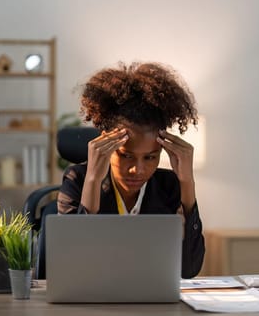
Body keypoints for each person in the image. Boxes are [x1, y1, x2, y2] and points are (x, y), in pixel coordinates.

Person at [57, 61, 205, 278]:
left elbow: (190, 270)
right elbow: (72, 267)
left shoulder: (169, 186)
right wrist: (92, 182)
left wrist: (187, 183)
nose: (138, 169)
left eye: (150, 157)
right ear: (107, 146)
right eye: (126, 155)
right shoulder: (78, 179)